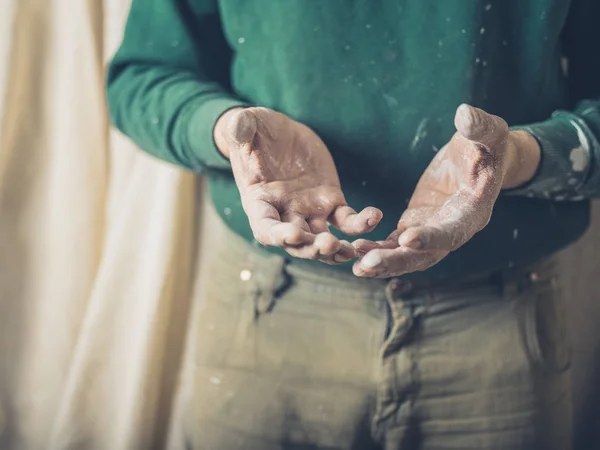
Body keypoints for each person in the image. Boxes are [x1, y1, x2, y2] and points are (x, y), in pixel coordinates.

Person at [107, 1, 600, 448]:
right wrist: (231, 134)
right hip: (270, 314)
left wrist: (515, 157)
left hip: (497, 328)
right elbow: (144, 76)